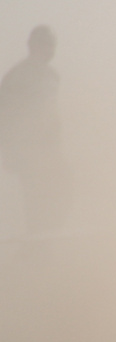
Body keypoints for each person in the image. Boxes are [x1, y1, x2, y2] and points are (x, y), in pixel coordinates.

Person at [0, 25, 72, 234]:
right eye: (45, 44)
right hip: (26, 150)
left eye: (52, 44)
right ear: (32, 46)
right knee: (36, 197)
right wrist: (9, 150)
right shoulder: (17, 76)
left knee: (63, 185)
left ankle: (45, 236)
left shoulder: (52, 75)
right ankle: (37, 244)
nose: (50, 49)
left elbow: (51, 112)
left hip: (48, 148)